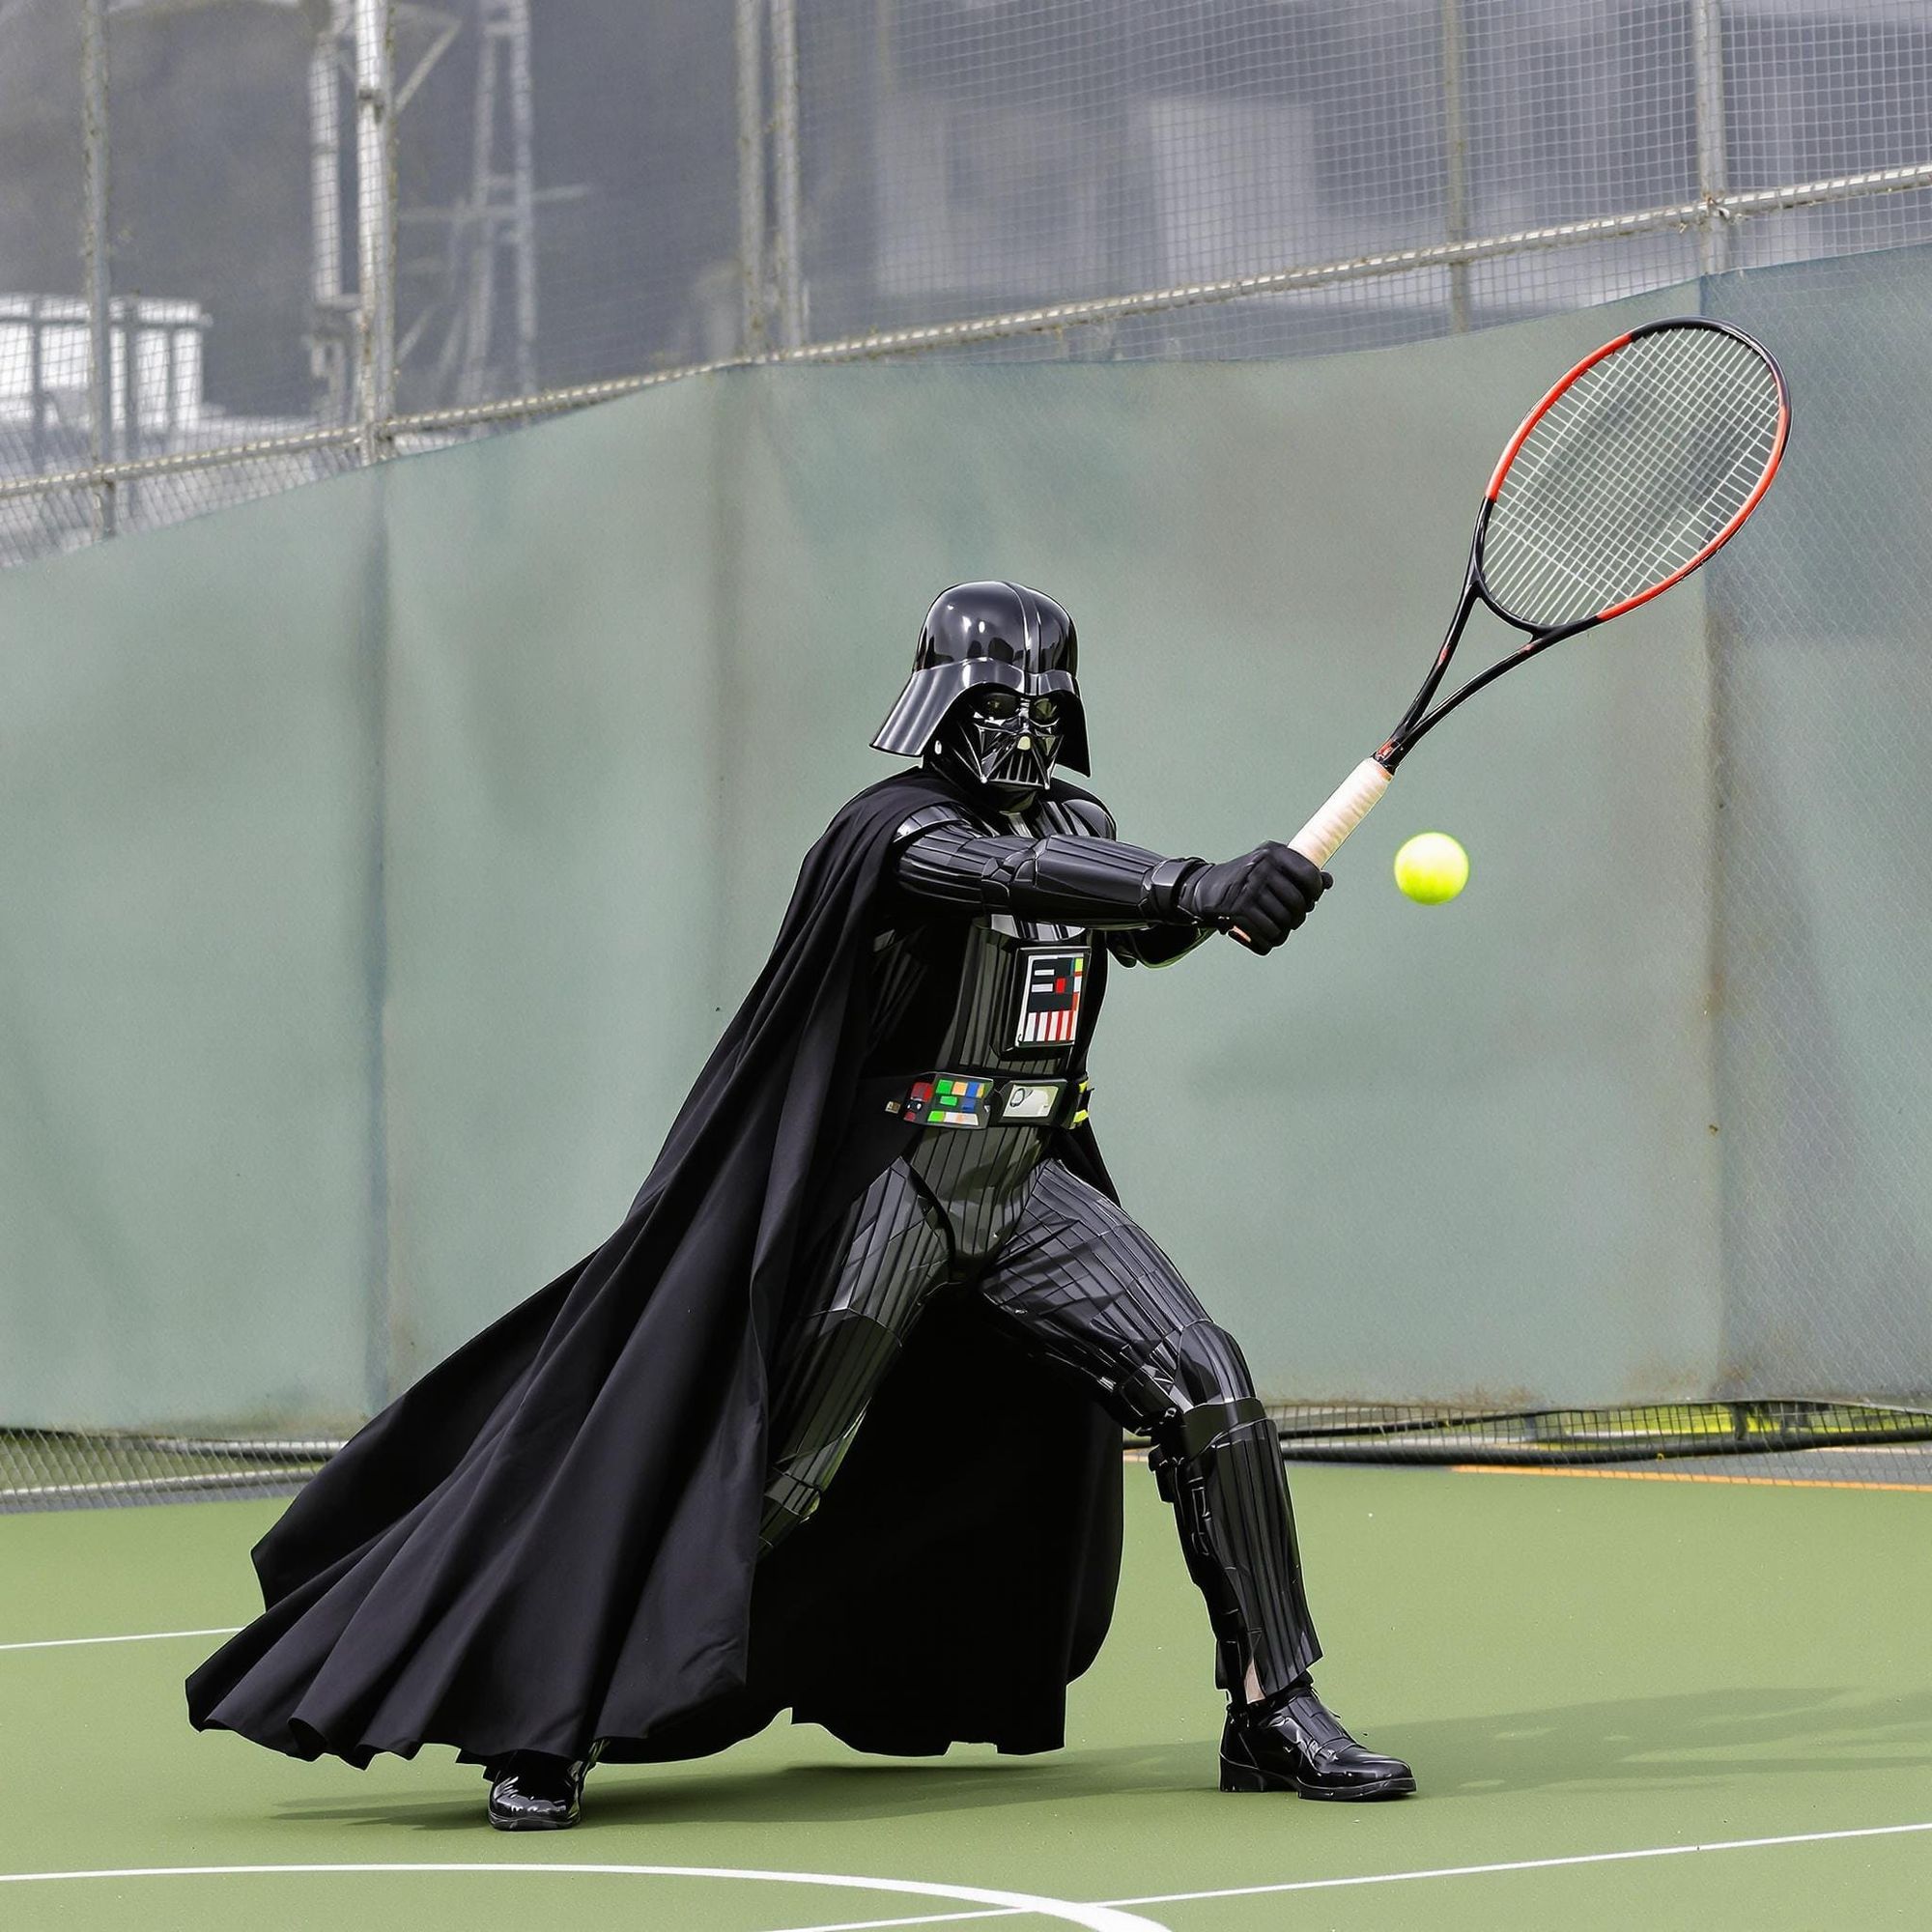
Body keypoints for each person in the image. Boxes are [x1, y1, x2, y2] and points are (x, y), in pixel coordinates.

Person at [187, 581, 1413, 1829]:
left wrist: (1235, 899)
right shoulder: (890, 831)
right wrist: (1191, 883)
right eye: (998, 704)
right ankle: (552, 1717)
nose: (1024, 733)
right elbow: (1002, 872)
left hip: (1030, 1181)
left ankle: (1273, 1706)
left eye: (1046, 708)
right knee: (772, 1474)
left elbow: (1128, 930)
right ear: (940, 704)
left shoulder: (1080, 820)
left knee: (1210, 1383)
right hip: (897, 1187)